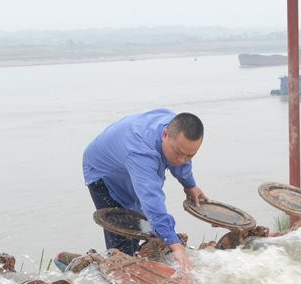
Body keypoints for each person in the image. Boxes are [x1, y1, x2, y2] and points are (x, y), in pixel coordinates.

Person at [81, 109, 207, 272]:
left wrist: (189, 185)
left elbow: (182, 159)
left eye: (190, 155)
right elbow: (152, 199)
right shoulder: (141, 152)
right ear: (165, 134)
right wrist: (175, 244)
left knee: (142, 227)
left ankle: (135, 257)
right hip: (102, 173)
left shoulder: (177, 125)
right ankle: (98, 269)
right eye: (178, 153)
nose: (182, 160)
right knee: (123, 243)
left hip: (128, 165)